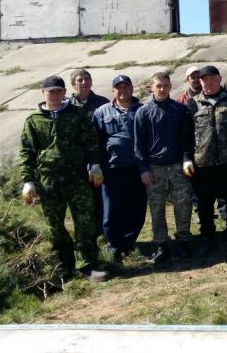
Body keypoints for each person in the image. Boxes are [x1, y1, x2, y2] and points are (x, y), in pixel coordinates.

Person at [19, 75, 107, 282]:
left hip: (77, 179)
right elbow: (27, 151)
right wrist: (28, 180)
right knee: (55, 225)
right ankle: (65, 266)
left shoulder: (76, 115)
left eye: (59, 91)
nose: (56, 95)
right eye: (51, 92)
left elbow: (91, 142)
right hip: (49, 181)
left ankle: (89, 266)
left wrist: (95, 165)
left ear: (65, 92)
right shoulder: (34, 121)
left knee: (85, 223)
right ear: (43, 93)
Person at [134, 72, 195, 264]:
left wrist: (187, 159)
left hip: (177, 166)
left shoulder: (180, 109)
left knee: (183, 204)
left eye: (165, 86)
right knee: (157, 208)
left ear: (170, 87)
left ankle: (184, 239)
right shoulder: (143, 112)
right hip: (154, 168)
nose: (162, 89)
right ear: (152, 87)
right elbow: (139, 145)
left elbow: (187, 138)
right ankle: (161, 243)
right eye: (158, 86)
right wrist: (143, 169)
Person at [186, 65, 227, 256]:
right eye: (204, 80)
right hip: (203, 164)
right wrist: (187, 159)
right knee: (204, 203)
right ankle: (207, 237)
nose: (208, 83)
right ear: (199, 82)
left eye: (211, 79)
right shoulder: (192, 103)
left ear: (219, 79)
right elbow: (186, 135)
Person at [92, 75, 147, 264]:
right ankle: (115, 245)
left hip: (137, 168)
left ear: (132, 89)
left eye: (126, 87)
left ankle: (129, 242)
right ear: (113, 91)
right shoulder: (101, 112)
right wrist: (95, 165)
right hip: (112, 168)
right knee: (112, 210)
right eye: (119, 87)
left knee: (137, 207)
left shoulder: (142, 110)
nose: (122, 90)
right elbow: (95, 141)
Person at [68, 68, 109, 237]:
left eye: (87, 79)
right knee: (81, 202)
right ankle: (85, 236)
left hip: (99, 159)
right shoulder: (66, 105)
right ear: (73, 84)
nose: (84, 83)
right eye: (80, 80)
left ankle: (103, 235)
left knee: (100, 198)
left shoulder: (102, 103)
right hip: (77, 161)